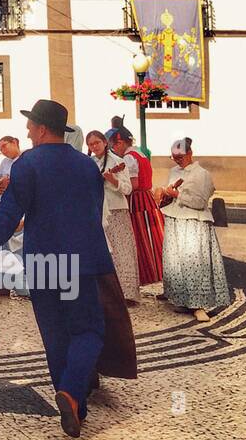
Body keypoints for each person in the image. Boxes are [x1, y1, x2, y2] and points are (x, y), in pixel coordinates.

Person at [0, 99, 136, 439]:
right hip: (79, 260)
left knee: (55, 333)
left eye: (31, 126)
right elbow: (94, 212)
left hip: (44, 261)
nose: (28, 132)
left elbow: (9, 214)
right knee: (88, 329)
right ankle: (73, 392)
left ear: (43, 128)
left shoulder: (28, 164)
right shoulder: (86, 166)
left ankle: (71, 397)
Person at [158, 138, 231, 322]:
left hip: (193, 222)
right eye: (173, 157)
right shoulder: (174, 171)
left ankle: (199, 305)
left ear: (190, 153)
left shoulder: (201, 174)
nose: (176, 160)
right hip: (175, 219)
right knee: (176, 263)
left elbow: (199, 202)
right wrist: (166, 193)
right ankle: (180, 297)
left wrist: (176, 194)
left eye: (180, 157)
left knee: (194, 264)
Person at [108, 126, 165, 288]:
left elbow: (133, 184)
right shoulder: (140, 153)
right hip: (148, 198)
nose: (113, 149)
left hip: (137, 200)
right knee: (153, 239)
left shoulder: (128, 158)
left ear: (120, 143)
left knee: (139, 240)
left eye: (114, 146)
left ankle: (139, 277)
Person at [87, 130, 140, 302]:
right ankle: (107, 292)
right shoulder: (90, 163)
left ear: (105, 142)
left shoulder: (118, 161)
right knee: (103, 251)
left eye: (97, 142)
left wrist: (112, 179)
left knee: (121, 251)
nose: (94, 146)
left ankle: (127, 293)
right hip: (98, 211)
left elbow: (128, 189)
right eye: (90, 144)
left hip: (116, 210)